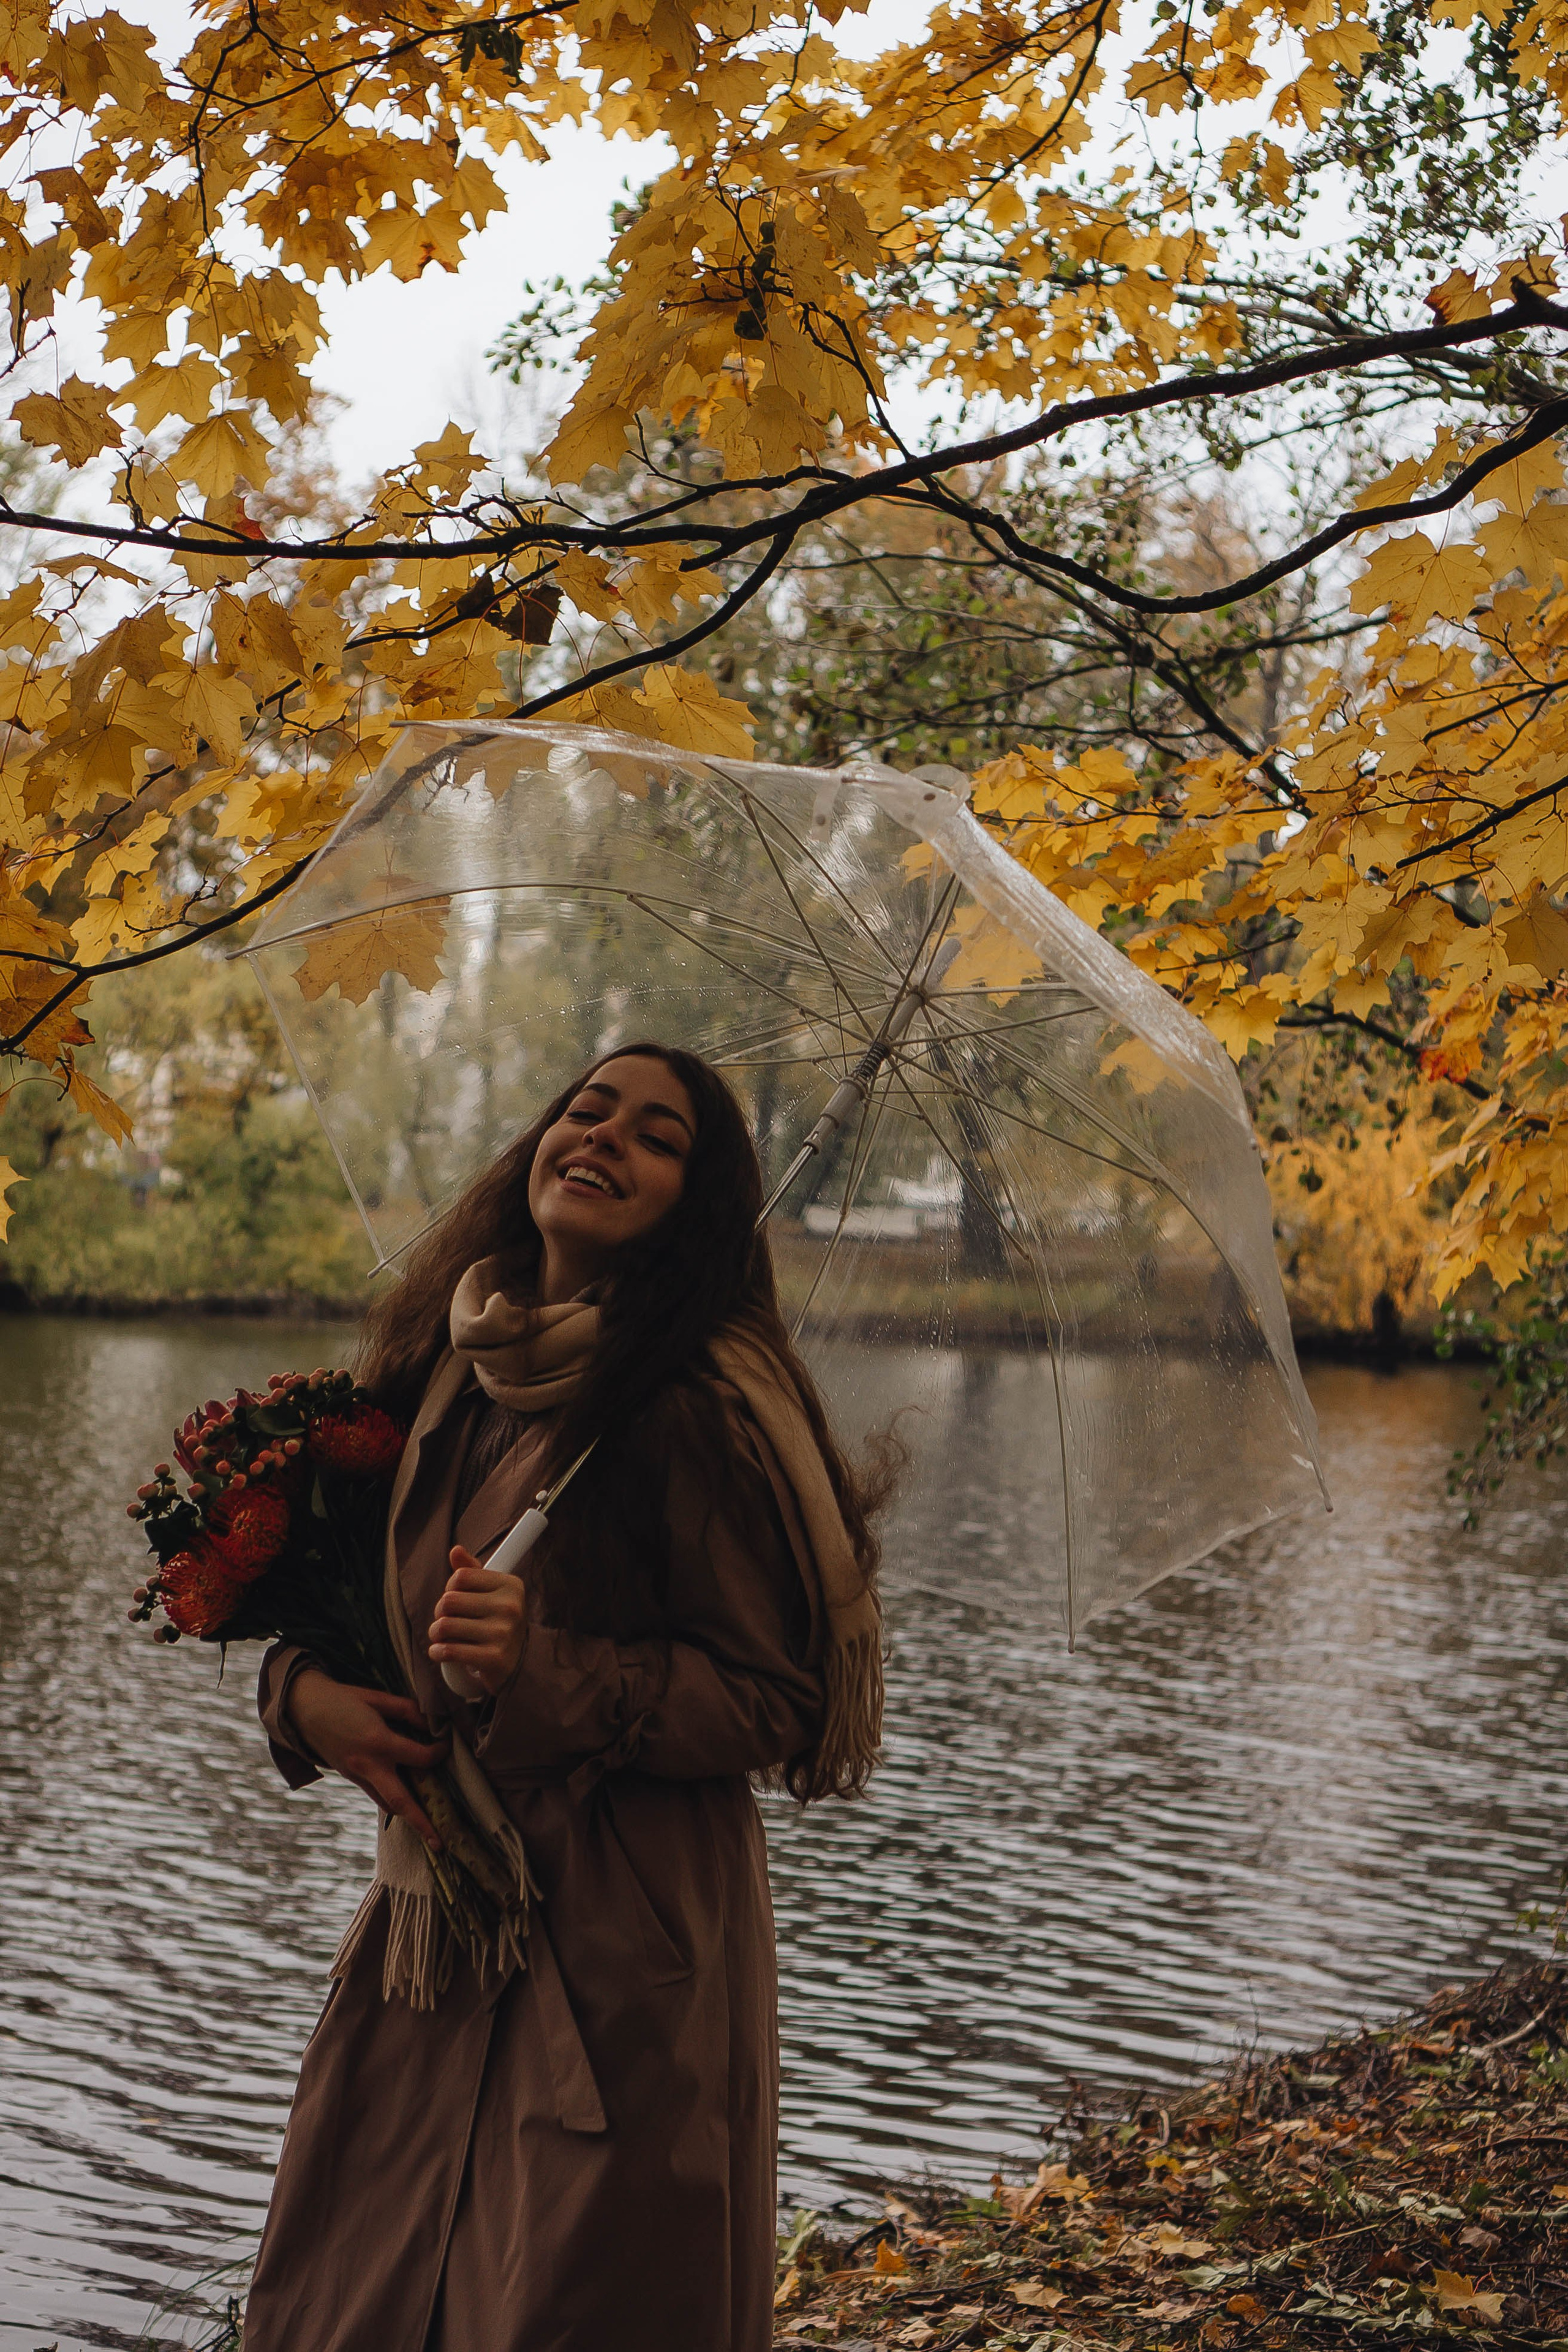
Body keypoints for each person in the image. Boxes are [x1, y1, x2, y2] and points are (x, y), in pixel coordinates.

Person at [241, 1044, 895, 2352]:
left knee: (568, 2295)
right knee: (359, 2289)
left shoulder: (697, 1411)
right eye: (587, 1110)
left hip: (621, 1946)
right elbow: (334, 1607)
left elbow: (778, 1699)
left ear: (694, 1206)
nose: (603, 1137)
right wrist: (301, 1698)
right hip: (436, 1917)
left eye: (656, 1136)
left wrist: (542, 1669)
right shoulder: (445, 1367)